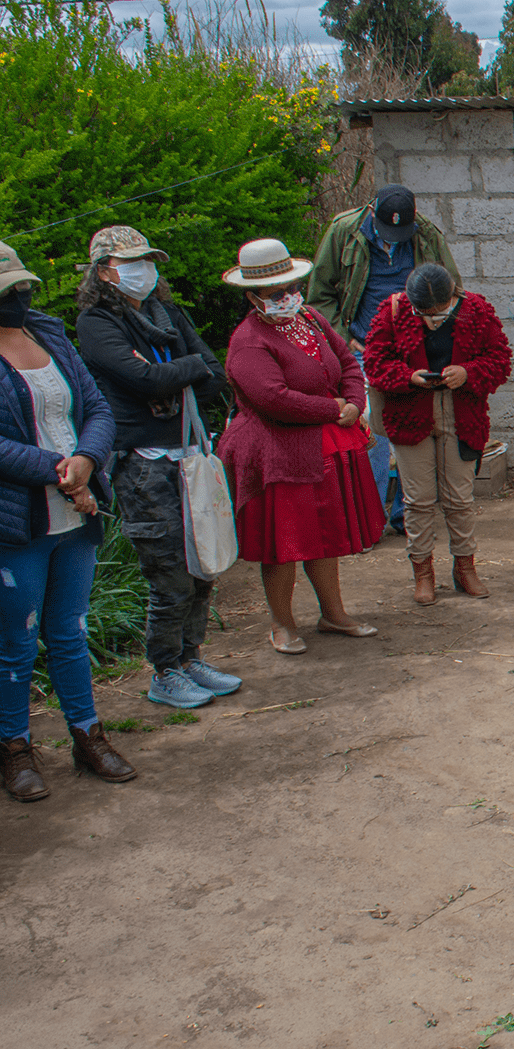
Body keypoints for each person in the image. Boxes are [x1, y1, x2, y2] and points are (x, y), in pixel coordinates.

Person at [73, 226, 240, 710]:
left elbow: (213, 372)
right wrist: (180, 372)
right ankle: (164, 670)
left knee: (201, 564)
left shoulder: (165, 312)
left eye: (147, 260)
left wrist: (173, 374)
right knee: (168, 572)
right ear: (104, 270)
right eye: (130, 262)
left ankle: (191, 658)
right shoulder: (96, 322)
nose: (142, 270)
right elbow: (141, 379)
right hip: (144, 464)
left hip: (188, 451)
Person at [0, 241, 134, 802]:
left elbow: (97, 407)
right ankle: (14, 749)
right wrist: (60, 470)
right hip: (19, 522)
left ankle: (87, 736)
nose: (19, 296)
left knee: (70, 632)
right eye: (8, 290)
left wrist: (86, 460)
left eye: (22, 286)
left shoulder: (49, 333)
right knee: (15, 641)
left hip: (74, 516)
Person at [217, 239, 385, 654]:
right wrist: (333, 408)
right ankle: (282, 623)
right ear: (253, 297)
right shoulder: (249, 341)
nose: (287, 297)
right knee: (285, 541)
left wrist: (354, 402)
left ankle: (333, 613)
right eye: (276, 294)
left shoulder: (309, 318)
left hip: (324, 444)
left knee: (326, 534)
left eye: (291, 287)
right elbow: (272, 398)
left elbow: (346, 361)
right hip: (278, 453)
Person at [306, 184, 460, 535]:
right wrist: (344, 341)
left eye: (400, 234)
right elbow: (321, 294)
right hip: (365, 349)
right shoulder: (344, 232)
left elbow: (449, 287)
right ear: (371, 212)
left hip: (416, 350)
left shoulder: (426, 236)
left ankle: (408, 517)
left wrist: (434, 334)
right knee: (371, 436)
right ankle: (368, 523)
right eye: (388, 233)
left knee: (415, 431)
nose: (394, 240)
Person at [364, 263, 513, 604]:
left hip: (460, 414)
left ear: (453, 295)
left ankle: (465, 568)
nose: (433, 317)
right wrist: (407, 376)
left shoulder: (476, 310)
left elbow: (500, 358)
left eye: (440, 311)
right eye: (425, 313)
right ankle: (423, 573)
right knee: (417, 501)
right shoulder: (392, 312)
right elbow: (374, 362)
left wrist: (469, 371)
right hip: (410, 414)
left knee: (459, 499)